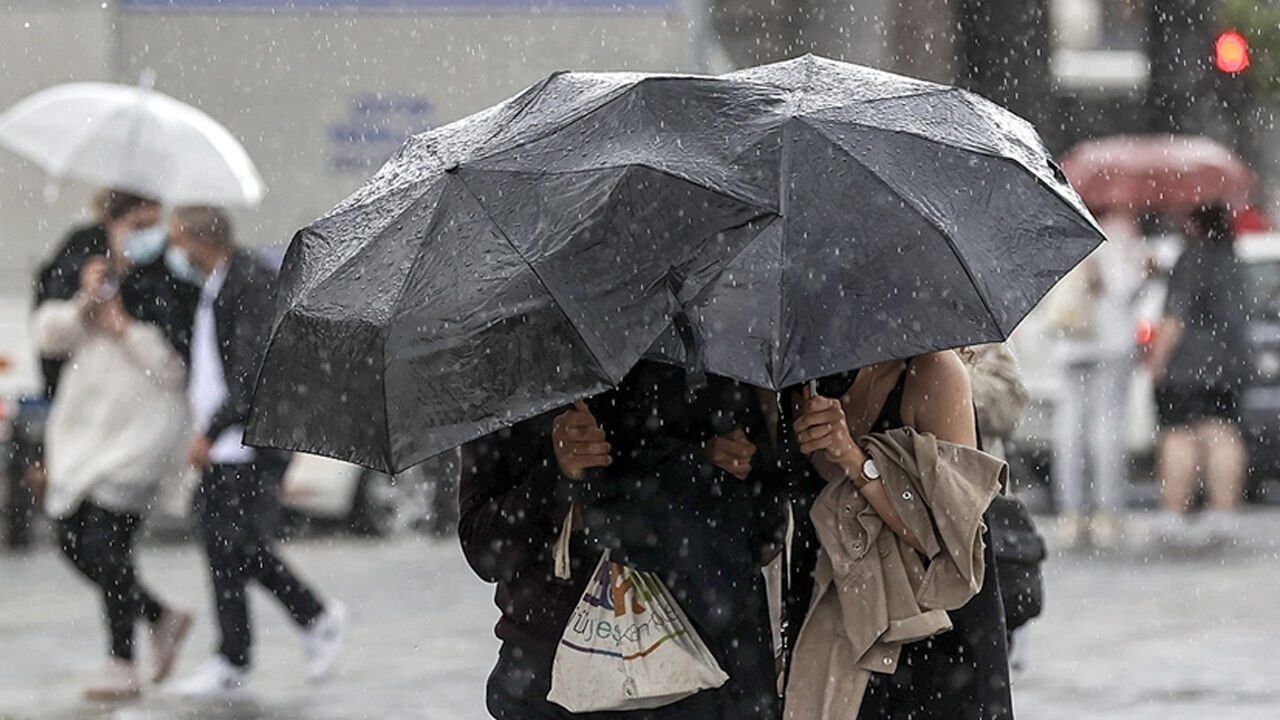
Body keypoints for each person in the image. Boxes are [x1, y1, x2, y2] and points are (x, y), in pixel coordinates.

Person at [460, 360, 785, 719]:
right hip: (546, 677)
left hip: (692, 669)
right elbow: (486, 551)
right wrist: (557, 476)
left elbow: (766, 524)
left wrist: (701, 474)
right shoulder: (508, 376)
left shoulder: (699, 350)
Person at [165, 207, 346, 700]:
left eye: (177, 240)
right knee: (221, 547)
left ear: (200, 241)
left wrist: (211, 429)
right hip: (226, 445)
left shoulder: (250, 282)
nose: (173, 252)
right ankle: (233, 660)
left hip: (249, 441)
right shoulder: (216, 284)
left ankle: (316, 615)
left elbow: (250, 371)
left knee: (242, 545)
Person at [781, 351, 1013, 720]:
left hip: (933, 640)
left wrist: (854, 459)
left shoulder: (935, 372)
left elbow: (950, 537)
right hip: (835, 623)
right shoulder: (797, 380)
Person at [32, 191, 198, 701]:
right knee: (69, 536)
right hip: (85, 428)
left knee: (106, 541)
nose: (147, 232)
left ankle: (120, 662)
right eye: (137, 223)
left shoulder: (172, 277)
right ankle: (160, 616)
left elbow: (176, 367)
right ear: (112, 221)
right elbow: (48, 338)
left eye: (155, 222)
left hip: (143, 431)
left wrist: (123, 327)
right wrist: (86, 302)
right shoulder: (82, 259)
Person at [1145, 204, 1251, 545]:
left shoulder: (1191, 260)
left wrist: (1156, 361)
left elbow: (1177, 318)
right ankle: (1224, 516)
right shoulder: (1232, 259)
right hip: (1228, 366)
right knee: (1222, 434)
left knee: (1179, 436)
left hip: (1187, 367)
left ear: (1194, 223)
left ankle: (1175, 514)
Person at [1049, 210, 1148, 548]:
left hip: (1072, 340)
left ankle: (1071, 514)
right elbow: (1124, 287)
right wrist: (1144, 267)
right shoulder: (1120, 230)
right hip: (1111, 340)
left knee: (1070, 426)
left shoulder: (1065, 221)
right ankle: (1107, 513)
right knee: (1107, 426)